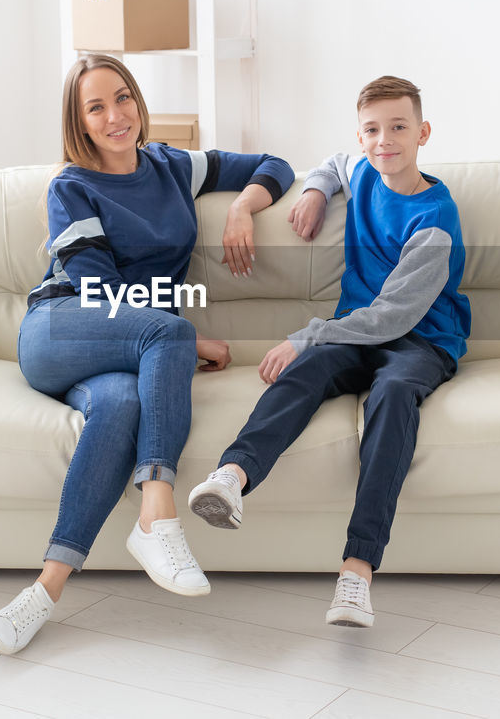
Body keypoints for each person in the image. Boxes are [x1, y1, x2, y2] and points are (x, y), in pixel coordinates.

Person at [0, 54, 294, 654]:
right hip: (61, 329)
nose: (115, 116)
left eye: (122, 98)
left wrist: (239, 206)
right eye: (95, 107)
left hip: (124, 354)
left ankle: (42, 593)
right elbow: (98, 287)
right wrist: (187, 337)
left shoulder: (172, 167)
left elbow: (272, 164)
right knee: (170, 332)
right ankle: (158, 512)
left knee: (122, 407)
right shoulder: (71, 187)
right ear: (79, 122)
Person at [188, 75, 470, 628]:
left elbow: (394, 315)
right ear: (361, 136)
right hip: (353, 332)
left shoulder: (435, 219)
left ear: (424, 133)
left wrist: (305, 333)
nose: (384, 140)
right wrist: (316, 190)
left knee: (391, 397)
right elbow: (332, 163)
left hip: (421, 339)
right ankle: (232, 477)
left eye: (399, 128)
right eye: (373, 129)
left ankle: (356, 573)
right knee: (305, 371)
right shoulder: (362, 169)